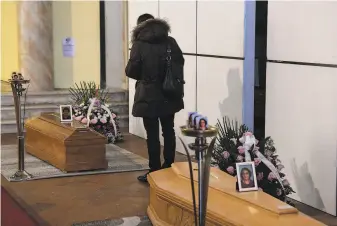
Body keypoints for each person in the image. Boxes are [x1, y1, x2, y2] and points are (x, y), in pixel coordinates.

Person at [125, 13, 184, 183]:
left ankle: (154, 170)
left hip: (148, 95)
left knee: (152, 134)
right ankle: (169, 166)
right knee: (168, 130)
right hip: (169, 93)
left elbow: (131, 71)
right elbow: (179, 62)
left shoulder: (139, 45)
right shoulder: (170, 42)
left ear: (140, 28)